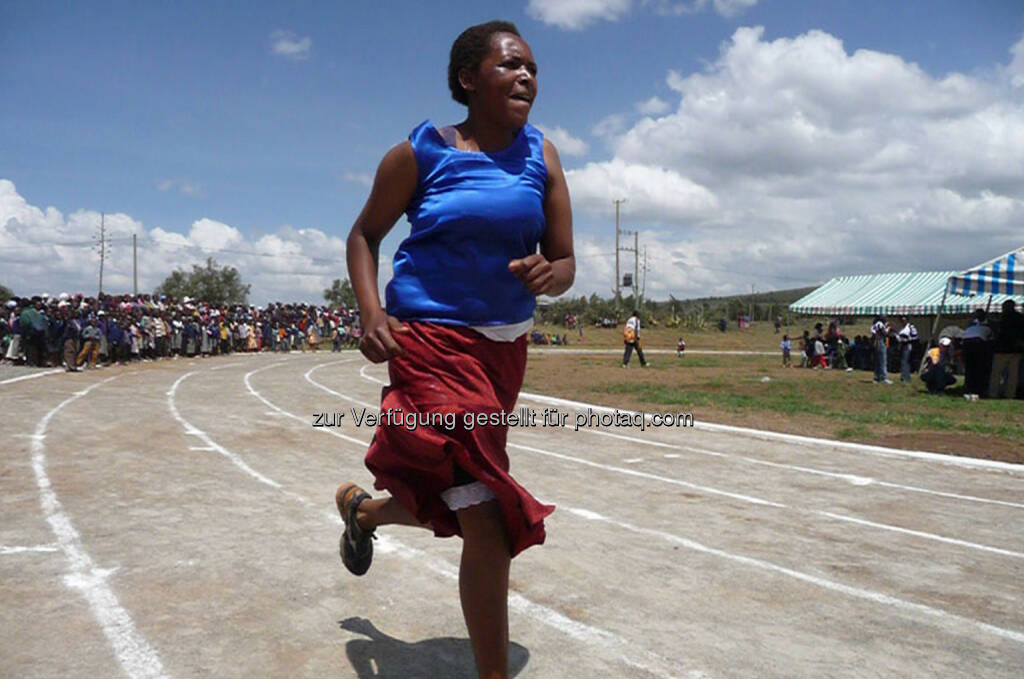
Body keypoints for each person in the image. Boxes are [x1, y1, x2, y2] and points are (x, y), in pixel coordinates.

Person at [333, 21, 574, 679]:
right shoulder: (421, 152)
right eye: (509, 65)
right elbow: (364, 234)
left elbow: (566, 259)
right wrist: (372, 311)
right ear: (469, 79)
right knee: (488, 511)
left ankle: (364, 511)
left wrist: (552, 273)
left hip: (503, 352)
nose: (526, 76)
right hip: (431, 344)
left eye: (531, 67)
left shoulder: (543, 156)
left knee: (464, 495)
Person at [962, 308, 994, 398]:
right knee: (980, 370)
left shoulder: (970, 326)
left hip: (968, 345)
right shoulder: (988, 328)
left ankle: (969, 388)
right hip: (978, 345)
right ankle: (979, 389)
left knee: (970, 370)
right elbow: (991, 342)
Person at [896, 315, 919, 383]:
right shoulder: (902, 328)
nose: (903, 321)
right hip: (902, 345)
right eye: (901, 320)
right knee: (903, 361)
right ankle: (904, 377)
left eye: (904, 319)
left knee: (905, 361)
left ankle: (906, 378)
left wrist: (907, 340)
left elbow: (916, 337)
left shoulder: (910, 327)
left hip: (908, 345)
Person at [870, 314, 892, 384]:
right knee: (883, 360)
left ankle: (876, 377)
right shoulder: (880, 324)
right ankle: (883, 377)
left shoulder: (874, 325)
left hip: (876, 342)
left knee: (877, 361)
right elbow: (885, 333)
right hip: (880, 341)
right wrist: (888, 328)